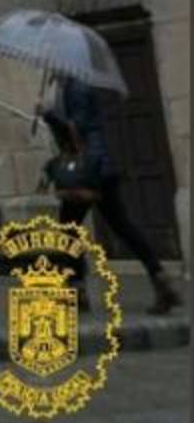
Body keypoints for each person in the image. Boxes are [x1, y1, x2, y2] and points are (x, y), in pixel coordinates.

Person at [40, 76, 182, 316]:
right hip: (99, 168)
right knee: (119, 226)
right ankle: (160, 279)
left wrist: (48, 115)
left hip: (90, 170)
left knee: (69, 231)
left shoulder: (77, 86)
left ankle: (78, 291)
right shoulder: (72, 85)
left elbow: (77, 128)